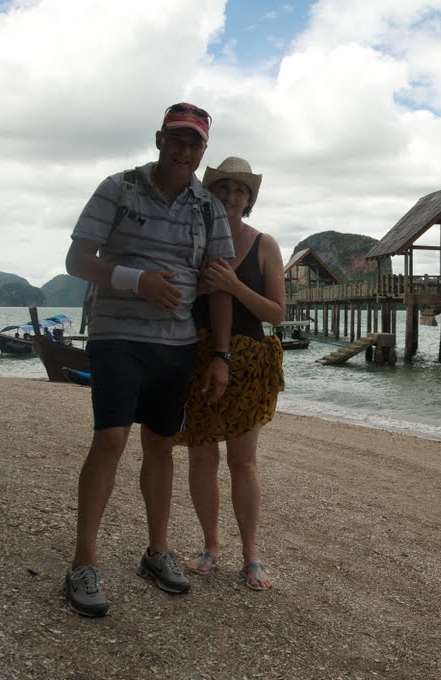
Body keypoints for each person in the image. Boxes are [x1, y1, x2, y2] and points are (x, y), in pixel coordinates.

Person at [62, 103, 235, 617]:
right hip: (116, 334)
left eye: (195, 144)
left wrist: (221, 355)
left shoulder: (208, 208)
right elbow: (77, 259)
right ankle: (83, 562)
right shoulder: (118, 188)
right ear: (159, 139)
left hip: (176, 344)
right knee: (111, 438)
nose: (184, 151)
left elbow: (221, 285)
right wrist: (137, 281)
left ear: (204, 151)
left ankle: (157, 551)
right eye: (177, 140)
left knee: (161, 445)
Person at [174, 157, 285, 591]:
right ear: (210, 192)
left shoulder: (264, 245)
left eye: (240, 191)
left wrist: (234, 286)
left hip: (251, 360)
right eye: (223, 188)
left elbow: (277, 313)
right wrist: (200, 287)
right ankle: (210, 547)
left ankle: (251, 555)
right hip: (197, 355)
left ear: (250, 199)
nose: (231, 197)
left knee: (243, 462)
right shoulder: (194, 238)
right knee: (201, 457)